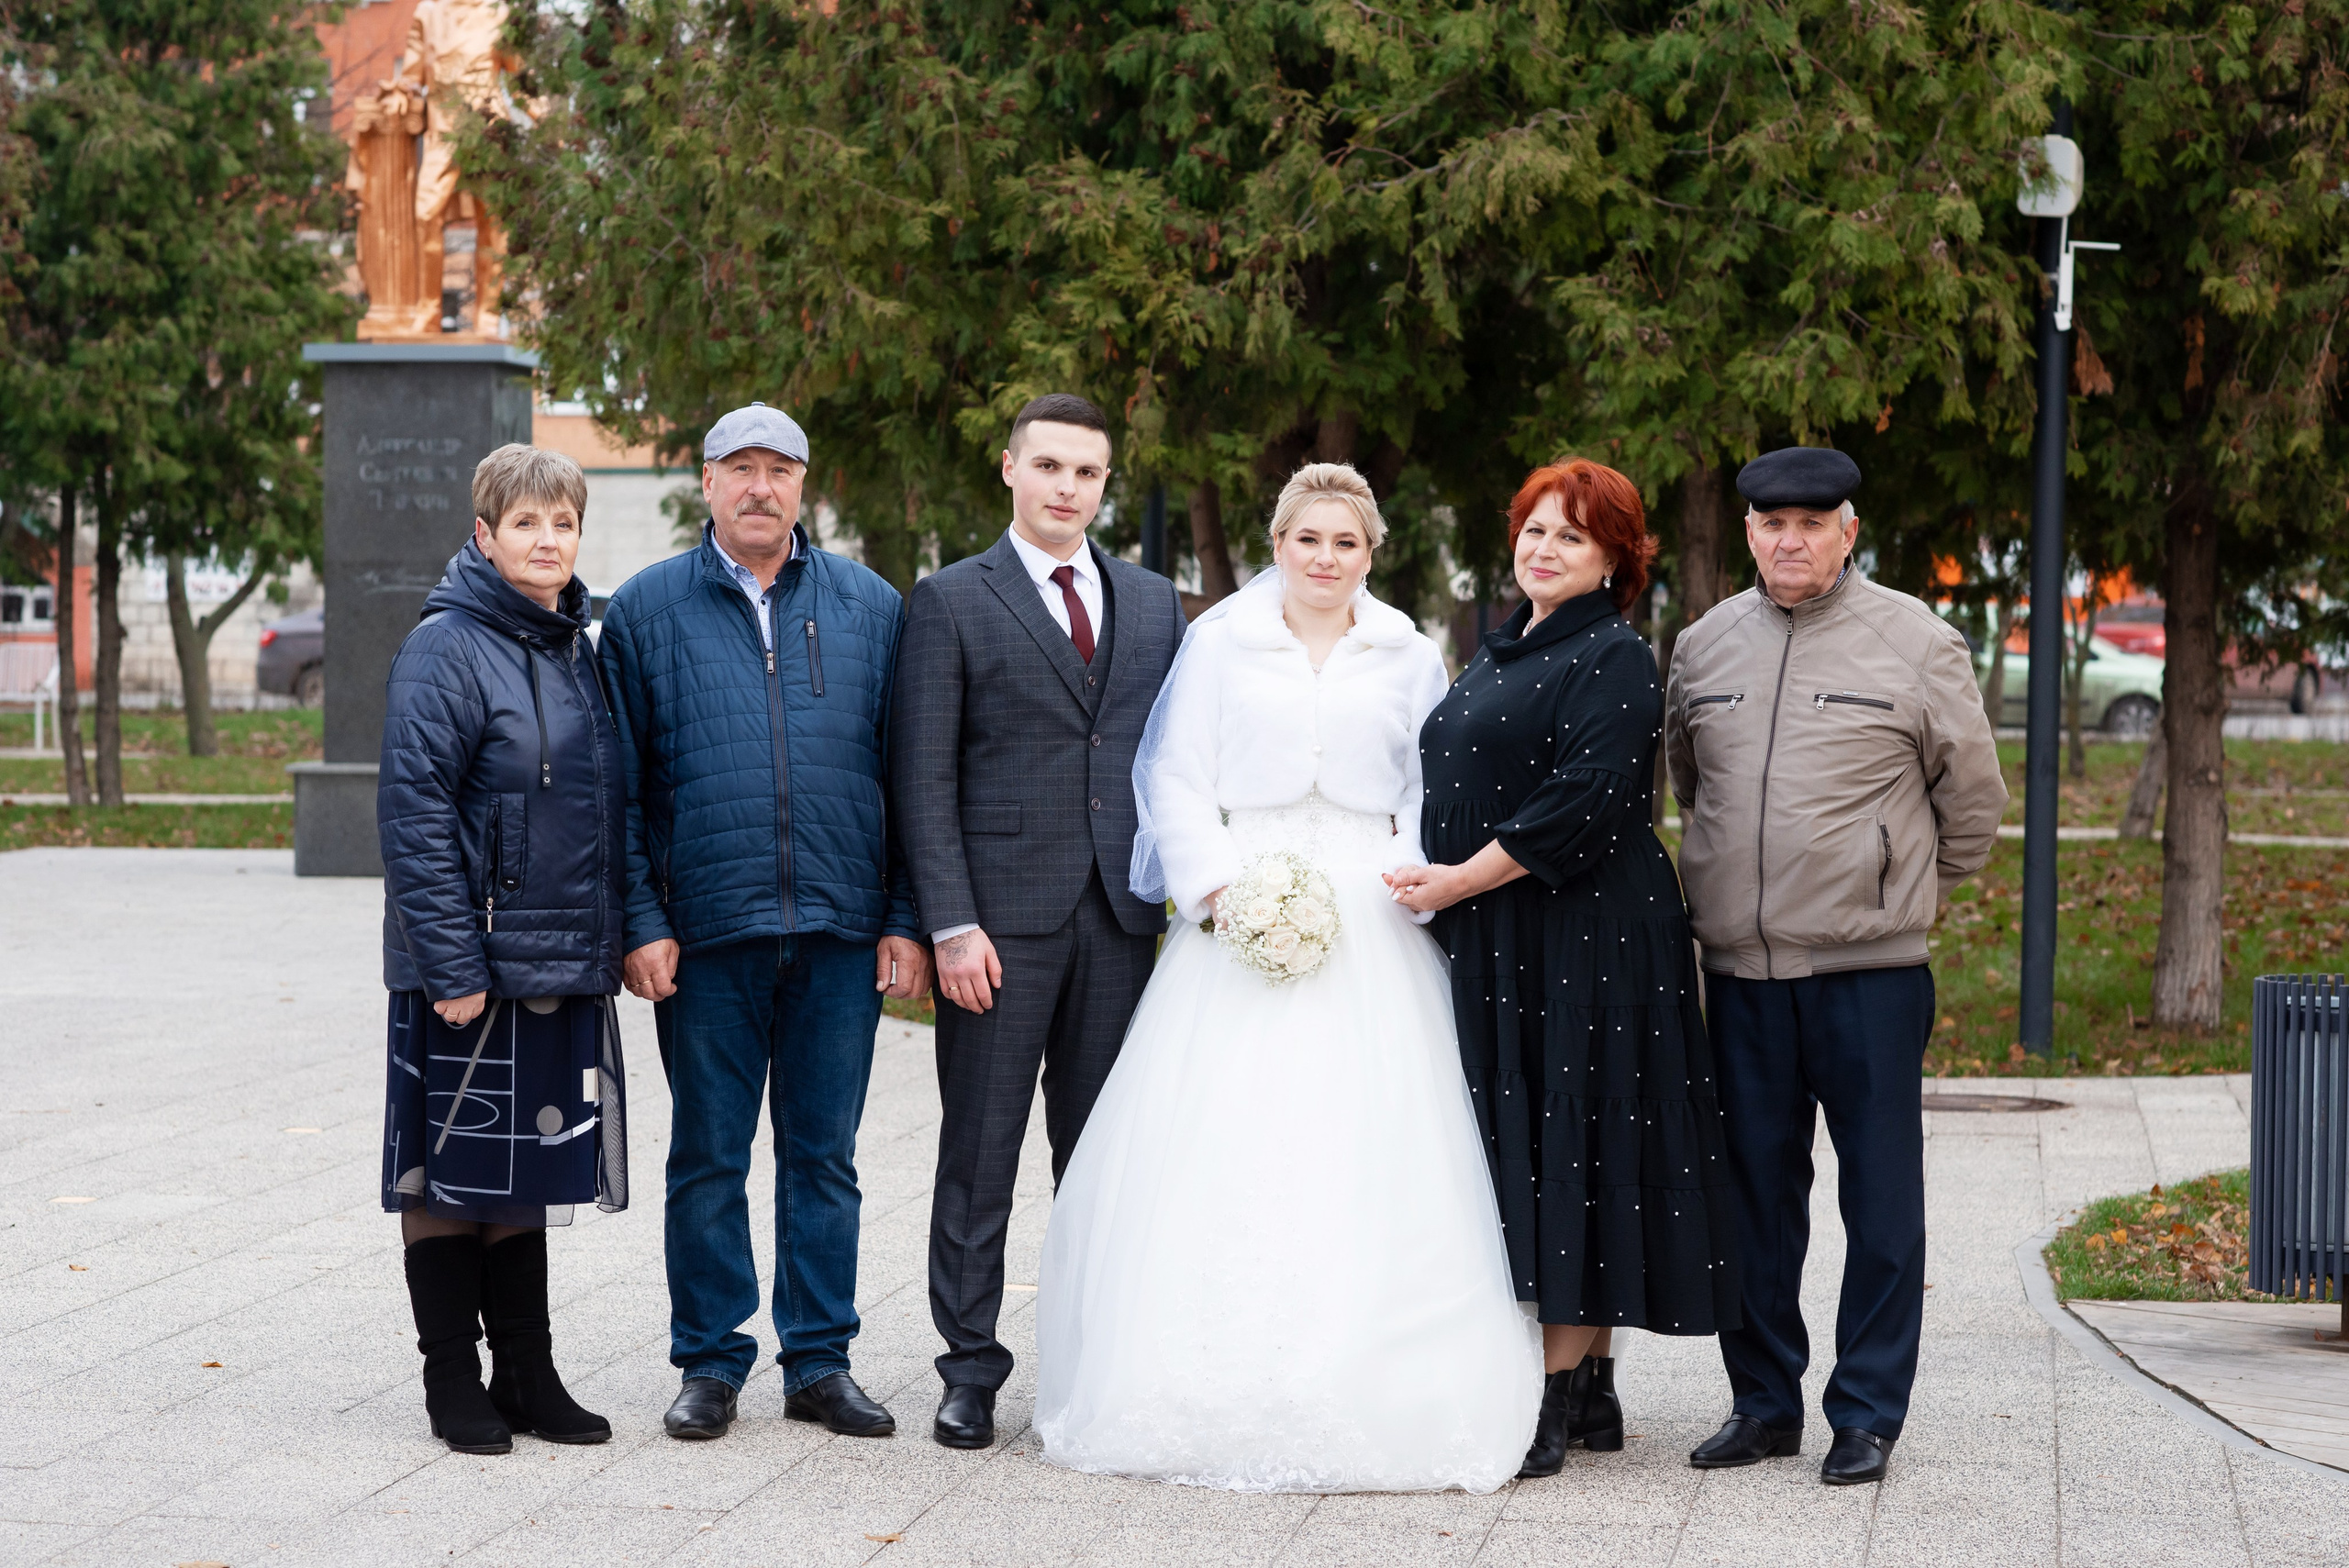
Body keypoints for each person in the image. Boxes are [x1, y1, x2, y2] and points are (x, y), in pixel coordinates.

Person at [1034, 462, 1542, 1494]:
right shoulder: (1221, 642)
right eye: (1308, 538)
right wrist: (1218, 889)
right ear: (1278, 543)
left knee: (1376, 1135)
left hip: (1373, 906)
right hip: (1243, 902)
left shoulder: (1407, 651)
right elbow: (1174, 774)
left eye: (1346, 542)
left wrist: (1414, 870)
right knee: (1228, 1129)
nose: (1325, 557)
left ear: (1370, 553)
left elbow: (1432, 782)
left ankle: (1385, 1368)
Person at [1389, 459, 1742, 1477]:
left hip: (1587, 935)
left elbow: (1582, 799)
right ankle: (1591, 1390)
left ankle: (1548, 1401)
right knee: (1547, 1146)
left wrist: (1457, 881)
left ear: (1615, 561)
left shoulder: (1614, 655)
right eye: (1534, 529)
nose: (1543, 549)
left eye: (1572, 537)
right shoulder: (1506, 644)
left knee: (1582, 1148)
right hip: (1507, 931)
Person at [1664, 446, 2005, 1486]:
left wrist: (1896, 888)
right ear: (1750, 531)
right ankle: (1764, 1403)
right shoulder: (1703, 645)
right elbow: (1690, 783)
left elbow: (1973, 800)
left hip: (1870, 974)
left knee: (1881, 1205)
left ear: (1848, 531)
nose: (1790, 540)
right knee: (1753, 1200)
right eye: (1772, 523)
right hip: (1740, 975)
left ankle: (1865, 1412)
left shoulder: (1917, 640)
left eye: (1812, 523)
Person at [598, 403, 931, 1443]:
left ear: (802, 484)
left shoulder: (870, 605)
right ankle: (709, 1359)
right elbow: (618, 789)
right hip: (705, 934)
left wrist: (905, 916)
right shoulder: (647, 609)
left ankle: (820, 1360)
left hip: (840, 928)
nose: (759, 486)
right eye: (739, 467)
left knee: (824, 1154)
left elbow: (910, 776)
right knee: (708, 1154)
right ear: (705, 482)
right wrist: (640, 918)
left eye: (778, 469)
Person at [890, 394, 1186, 1450]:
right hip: (997, 930)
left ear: (1105, 483)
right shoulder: (950, 599)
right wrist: (950, 923)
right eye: (1049, 465)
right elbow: (921, 777)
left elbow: (1171, 757)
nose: (1067, 486)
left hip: (1120, 918)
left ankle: (1090, 1358)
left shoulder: (1152, 602)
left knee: (1100, 1157)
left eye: (1087, 471)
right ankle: (969, 1367)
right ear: (1009, 467)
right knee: (980, 1154)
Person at [378, 442, 629, 1455]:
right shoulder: (444, 645)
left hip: (553, 957)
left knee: (520, 1171)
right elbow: (413, 812)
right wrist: (451, 963)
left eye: (563, 522)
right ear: (484, 535)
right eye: (526, 522)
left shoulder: (574, 645)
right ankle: (452, 1376)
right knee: (447, 1172)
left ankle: (526, 1369)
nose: (547, 539)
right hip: (469, 961)